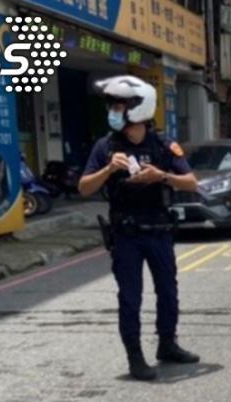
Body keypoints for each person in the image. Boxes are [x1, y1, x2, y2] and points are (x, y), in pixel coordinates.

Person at [78, 75, 201, 381]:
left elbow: (192, 182)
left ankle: (167, 344)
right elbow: (83, 188)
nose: (113, 112)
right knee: (130, 297)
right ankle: (135, 357)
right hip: (126, 235)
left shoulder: (163, 145)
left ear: (139, 108)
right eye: (112, 106)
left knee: (168, 293)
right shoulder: (106, 146)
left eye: (119, 106)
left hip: (159, 230)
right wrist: (109, 169)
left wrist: (161, 176)